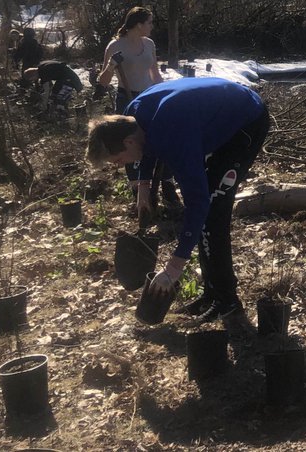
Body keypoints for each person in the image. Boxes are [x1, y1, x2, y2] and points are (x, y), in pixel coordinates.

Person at [87, 77, 270, 322]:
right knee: (207, 210)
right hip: (206, 114)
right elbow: (146, 143)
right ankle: (211, 293)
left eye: (118, 161)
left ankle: (227, 301)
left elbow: (198, 202)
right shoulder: (131, 117)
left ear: (126, 142)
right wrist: (143, 186)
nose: (122, 166)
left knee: (213, 209)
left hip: (246, 121)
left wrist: (175, 266)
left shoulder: (172, 135)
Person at [97, 8, 175, 205]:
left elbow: (154, 73)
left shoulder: (149, 44)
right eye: (149, 22)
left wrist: (165, 92)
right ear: (139, 24)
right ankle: (136, 187)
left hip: (150, 97)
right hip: (127, 99)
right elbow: (103, 81)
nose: (151, 26)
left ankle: (166, 183)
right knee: (129, 142)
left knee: (159, 138)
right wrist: (112, 65)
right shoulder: (115, 46)